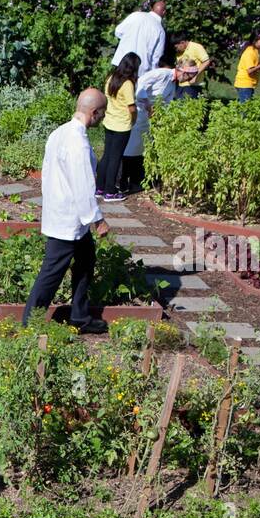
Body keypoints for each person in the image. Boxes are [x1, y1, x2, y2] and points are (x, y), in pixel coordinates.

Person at [21, 89, 111, 334]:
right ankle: (29, 326)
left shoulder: (61, 132)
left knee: (86, 260)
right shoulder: (77, 142)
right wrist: (98, 220)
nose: (102, 119)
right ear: (94, 113)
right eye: (102, 114)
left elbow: (49, 174)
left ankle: (79, 317)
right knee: (51, 273)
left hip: (64, 213)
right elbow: (83, 187)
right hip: (68, 219)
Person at [121, 64, 180, 193]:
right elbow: (141, 84)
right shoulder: (162, 74)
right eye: (190, 75)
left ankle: (136, 181)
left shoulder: (173, 83)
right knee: (131, 147)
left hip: (149, 117)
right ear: (182, 71)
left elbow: (167, 101)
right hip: (140, 110)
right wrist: (147, 102)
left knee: (142, 148)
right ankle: (123, 180)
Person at [97, 52, 138, 202]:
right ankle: (110, 192)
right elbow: (132, 108)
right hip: (122, 125)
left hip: (109, 121)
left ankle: (99, 187)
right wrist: (134, 119)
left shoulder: (110, 78)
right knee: (115, 158)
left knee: (107, 155)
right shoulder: (127, 84)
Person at [111, 0, 166, 76]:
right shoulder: (160, 30)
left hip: (121, 61)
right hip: (140, 69)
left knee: (116, 86)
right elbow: (156, 57)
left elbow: (118, 31)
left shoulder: (135, 15)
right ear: (164, 12)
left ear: (152, 9)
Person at [235, 29, 260, 102]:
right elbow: (249, 71)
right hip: (244, 84)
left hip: (248, 84)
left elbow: (252, 67)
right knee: (245, 109)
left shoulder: (255, 51)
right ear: (255, 40)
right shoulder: (250, 52)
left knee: (247, 108)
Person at [173, 33, 211, 100]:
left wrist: (195, 76)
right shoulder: (179, 52)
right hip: (180, 84)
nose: (176, 49)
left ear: (182, 43)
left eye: (176, 47)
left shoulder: (196, 47)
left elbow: (206, 61)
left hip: (192, 85)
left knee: (187, 106)